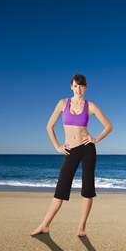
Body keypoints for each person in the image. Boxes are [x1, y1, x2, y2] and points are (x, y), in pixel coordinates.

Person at [31, 74, 113, 237]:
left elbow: (109, 126)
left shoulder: (90, 106)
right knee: (60, 190)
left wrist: (95, 139)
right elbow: (49, 126)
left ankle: (81, 227)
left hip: (87, 149)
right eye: (76, 86)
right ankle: (44, 225)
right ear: (71, 87)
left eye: (81, 86)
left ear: (86, 87)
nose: (78, 89)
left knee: (87, 189)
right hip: (70, 150)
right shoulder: (63, 103)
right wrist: (57, 147)